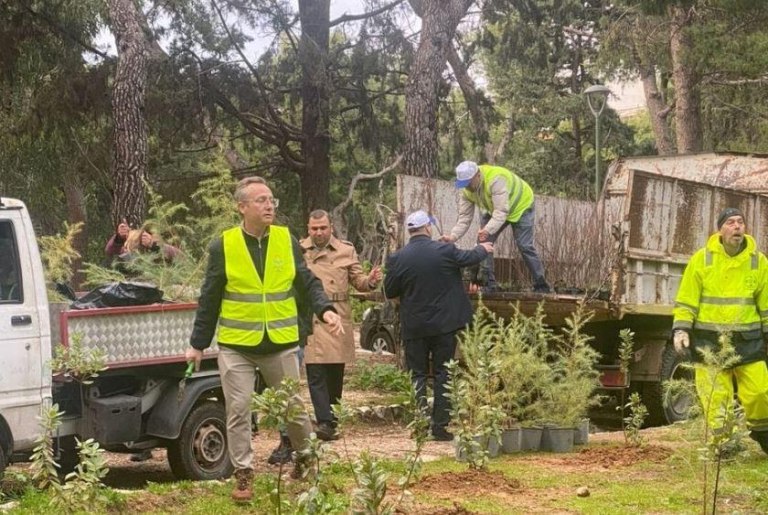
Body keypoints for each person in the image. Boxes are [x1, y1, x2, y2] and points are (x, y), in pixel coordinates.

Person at [185, 176, 344, 503]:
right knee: (239, 408)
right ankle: (243, 472)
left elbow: (306, 281)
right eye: (260, 200)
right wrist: (198, 344)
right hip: (237, 346)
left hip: (280, 343)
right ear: (242, 207)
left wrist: (325, 310)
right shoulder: (224, 245)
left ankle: (306, 456)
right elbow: (209, 297)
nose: (269, 205)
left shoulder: (287, 241)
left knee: (292, 409)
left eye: (271, 199)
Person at [384, 210, 493, 441]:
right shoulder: (444, 250)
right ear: (428, 228)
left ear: (410, 231)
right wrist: (484, 248)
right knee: (444, 373)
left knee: (417, 375)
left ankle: (420, 424)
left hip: (415, 327)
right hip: (445, 325)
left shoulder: (398, 258)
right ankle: (440, 427)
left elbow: (390, 290)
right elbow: (469, 258)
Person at [672, 207, 768, 453]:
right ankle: (724, 445)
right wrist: (681, 329)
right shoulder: (702, 259)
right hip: (708, 342)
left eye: (740, 222)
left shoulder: (758, 262)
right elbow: (686, 300)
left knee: (760, 393)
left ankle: (763, 433)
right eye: (731, 222)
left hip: (748, 342)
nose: (737, 226)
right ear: (720, 229)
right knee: (715, 398)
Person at [440, 160, 550, 293]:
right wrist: (453, 236)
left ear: (477, 175)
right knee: (483, 243)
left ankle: (541, 285)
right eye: (463, 184)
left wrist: (487, 229)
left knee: (524, 246)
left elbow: (501, 212)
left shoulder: (495, 179)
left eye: (468, 183)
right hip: (495, 209)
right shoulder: (466, 191)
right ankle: (489, 285)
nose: (467, 187)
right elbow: (464, 218)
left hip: (521, 206)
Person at [105, 221, 180, 263]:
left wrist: (154, 246)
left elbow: (180, 257)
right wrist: (119, 238)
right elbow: (110, 250)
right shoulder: (126, 255)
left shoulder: (158, 253)